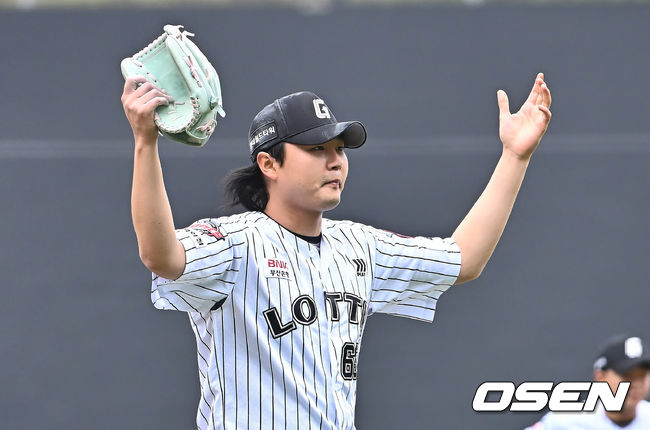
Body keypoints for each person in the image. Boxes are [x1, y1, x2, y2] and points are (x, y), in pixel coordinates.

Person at [121, 73, 552, 430]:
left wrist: (515, 157)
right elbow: (161, 256)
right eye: (316, 149)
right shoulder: (234, 244)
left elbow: (465, 259)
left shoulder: (359, 246)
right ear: (269, 164)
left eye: (340, 149)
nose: (335, 161)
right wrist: (145, 142)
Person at [525, 334, 650, 430]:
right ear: (600, 377)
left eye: (642, 376)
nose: (636, 384)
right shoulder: (566, 420)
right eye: (627, 375)